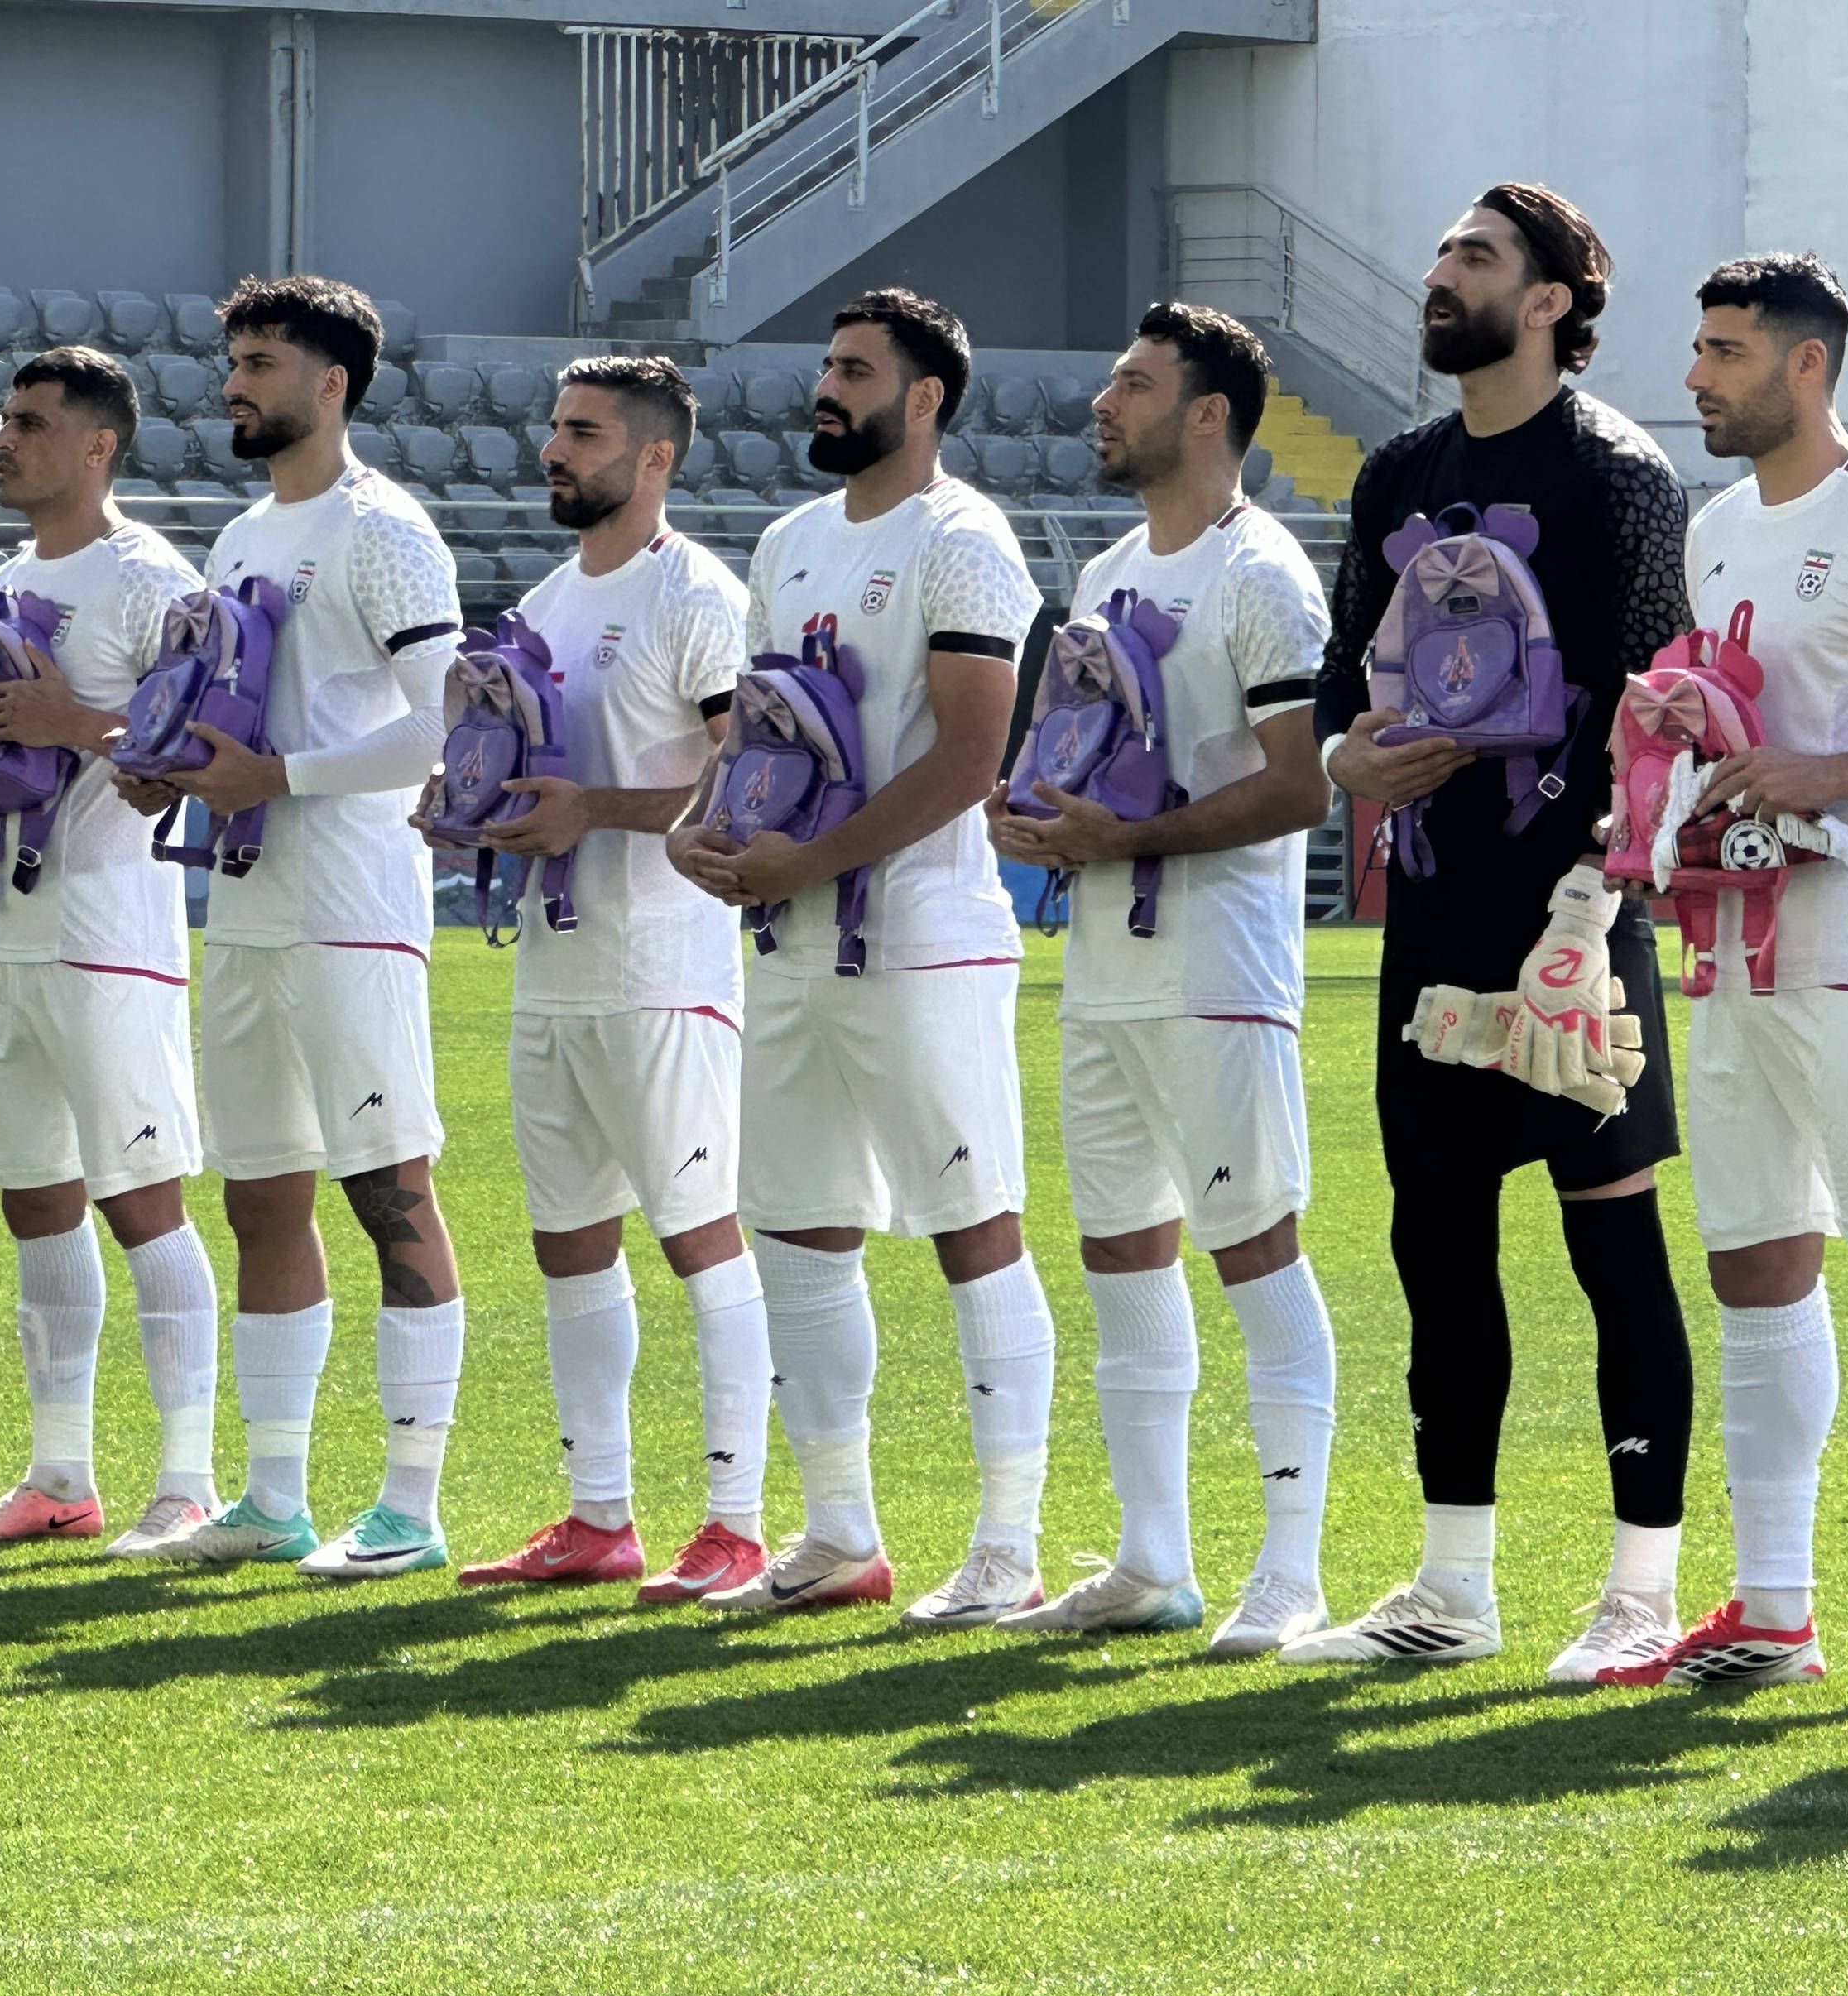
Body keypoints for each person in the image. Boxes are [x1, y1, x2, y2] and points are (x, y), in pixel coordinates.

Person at [1292, 185, 1696, 1677]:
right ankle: (1450, 1588)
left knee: (1613, 1247)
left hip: (1574, 914)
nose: (1435, 274)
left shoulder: (1618, 473)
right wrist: (1347, 760)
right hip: (1432, 920)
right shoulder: (1397, 470)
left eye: (1470, 257)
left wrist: (1606, 892)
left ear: (1546, 300)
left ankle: (1638, 1587)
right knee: (1437, 1244)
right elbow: (1344, 671)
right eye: (1442, 253)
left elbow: (1657, 707)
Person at [670, 290, 1058, 1619]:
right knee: (794, 1229)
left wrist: (813, 862)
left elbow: (966, 754)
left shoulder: (963, 538)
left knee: (974, 1231)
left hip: (924, 942)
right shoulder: (783, 542)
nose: (824, 389)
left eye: (852, 370)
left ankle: (1007, 1545)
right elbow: (760, 735)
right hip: (787, 937)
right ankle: (837, 1534)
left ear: (926, 396)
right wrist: (697, 826)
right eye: (824, 367)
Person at [1598, 254, 1848, 1703]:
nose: (1693, 375)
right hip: (1722, 947)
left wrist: (1827, 772)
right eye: (1694, 347)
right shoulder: (1711, 528)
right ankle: (1774, 1608)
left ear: (1805, 366)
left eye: (1723, 350)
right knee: (1749, 1264)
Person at [985, 305, 1341, 1653]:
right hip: (1108, 972)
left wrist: (1121, 835)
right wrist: (1036, 816)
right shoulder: (1112, 569)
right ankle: (1151, 1562)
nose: (1102, 402)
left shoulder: (1262, 574)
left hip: (1218, 972)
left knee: (1254, 1254)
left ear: (1206, 414)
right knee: (1121, 1256)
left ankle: (1290, 1572)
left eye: (1130, 383)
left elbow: (1298, 784)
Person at [112, 275, 470, 1578]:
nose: (235, 383)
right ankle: (272, 1498)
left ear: (331, 384)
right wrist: (164, 760)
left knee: (387, 1190)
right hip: (249, 897)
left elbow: (446, 727)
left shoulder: (383, 531)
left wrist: (286, 779)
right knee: (259, 1192)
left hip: (354, 907)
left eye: (260, 361)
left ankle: (412, 1506)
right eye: (234, 360)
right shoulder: (239, 538)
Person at [437, 356, 775, 1604]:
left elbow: (744, 776)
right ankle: (597, 1516)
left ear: (652, 458)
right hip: (555, 968)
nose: (552, 452)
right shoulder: (540, 602)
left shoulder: (696, 595)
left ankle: (735, 1521)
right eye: (553, 430)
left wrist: (594, 808)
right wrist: (468, 807)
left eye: (581, 434)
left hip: (661, 965)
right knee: (568, 1242)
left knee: (698, 1236)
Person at [0, 347, 222, 1554]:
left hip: (108, 928)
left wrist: (76, 721)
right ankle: (59, 1474)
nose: (4, 440)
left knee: (141, 1201)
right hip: (10, 925)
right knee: (35, 1203)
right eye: (4, 420)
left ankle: (184, 1478)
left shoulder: (153, 580)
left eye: (29, 423)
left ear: (98, 446)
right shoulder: (0, 573)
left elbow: (181, 763)